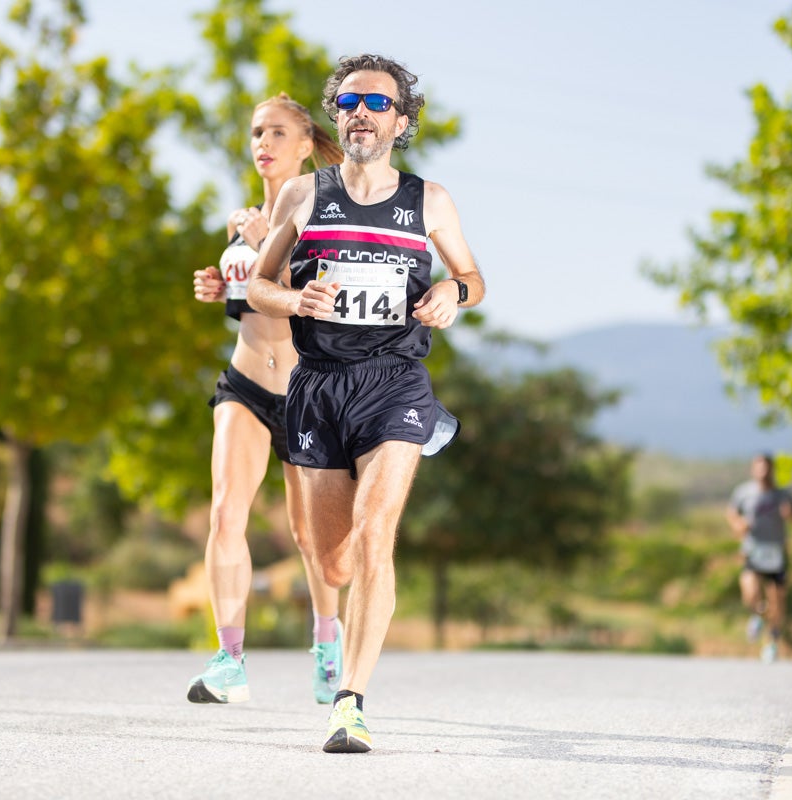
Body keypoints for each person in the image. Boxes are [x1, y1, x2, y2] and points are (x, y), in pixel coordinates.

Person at [248, 54, 485, 753]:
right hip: (319, 384)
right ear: (336, 114)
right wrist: (296, 299)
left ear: (400, 122)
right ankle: (341, 630)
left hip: (394, 381)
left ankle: (350, 702)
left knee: (376, 535)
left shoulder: (429, 200)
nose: (361, 112)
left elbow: (473, 277)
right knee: (334, 564)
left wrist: (452, 292)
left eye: (378, 103)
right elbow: (259, 286)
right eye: (350, 101)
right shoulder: (303, 196)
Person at [187, 93, 345, 705]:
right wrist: (217, 284)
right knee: (226, 514)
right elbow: (248, 302)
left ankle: (328, 645)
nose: (264, 143)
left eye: (278, 132)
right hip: (246, 384)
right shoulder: (242, 222)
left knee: (309, 536)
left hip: (307, 393)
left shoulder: (327, 214)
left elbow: (315, 302)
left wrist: (266, 252)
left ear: (305, 144)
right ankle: (229, 660)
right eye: (257, 132)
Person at [726, 452, 792, 663]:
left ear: (772, 470)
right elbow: (731, 513)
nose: (763, 471)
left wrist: (791, 515)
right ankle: (757, 616)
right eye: (759, 467)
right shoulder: (743, 493)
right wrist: (738, 525)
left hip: (776, 553)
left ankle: (771, 644)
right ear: (753, 469)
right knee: (750, 593)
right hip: (753, 550)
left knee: (777, 601)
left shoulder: (783, 496)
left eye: (767, 467)